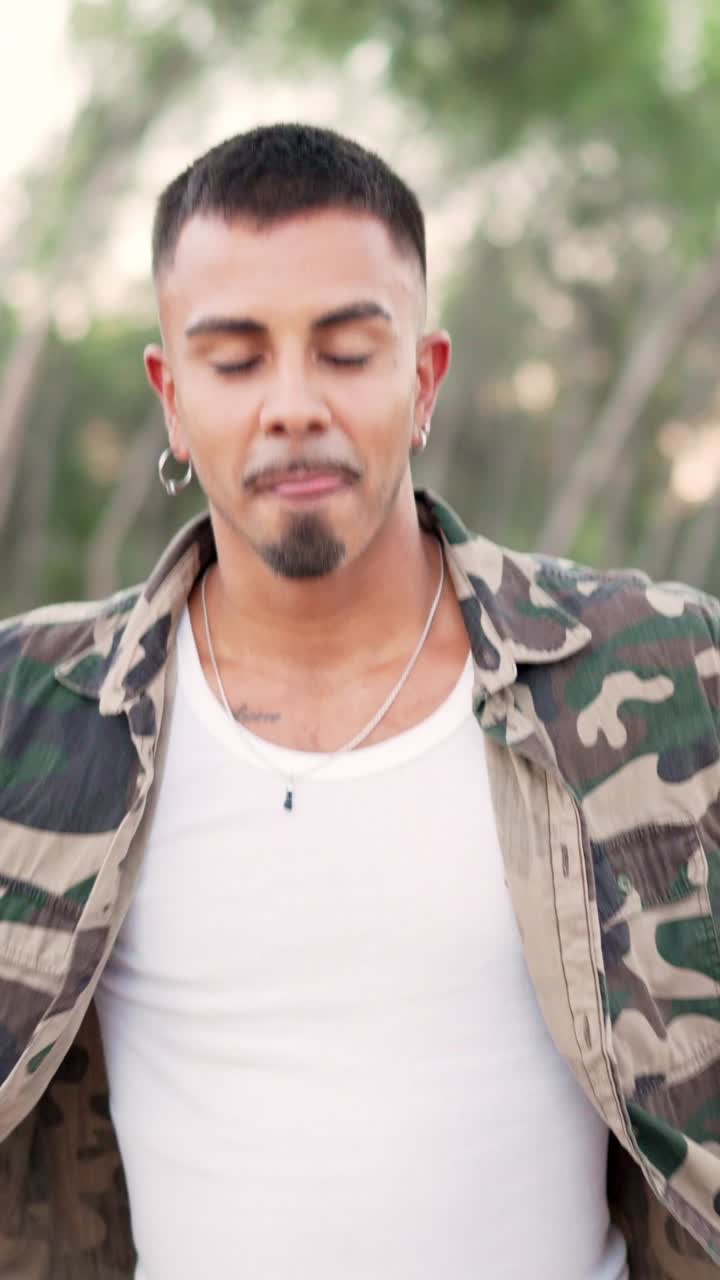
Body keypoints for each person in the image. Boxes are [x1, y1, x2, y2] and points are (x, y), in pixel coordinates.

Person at [0, 122, 719, 1280]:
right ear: (171, 396)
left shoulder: (660, 673)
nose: (293, 404)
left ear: (424, 378)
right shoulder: (34, 714)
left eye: (345, 351)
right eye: (235, 361)